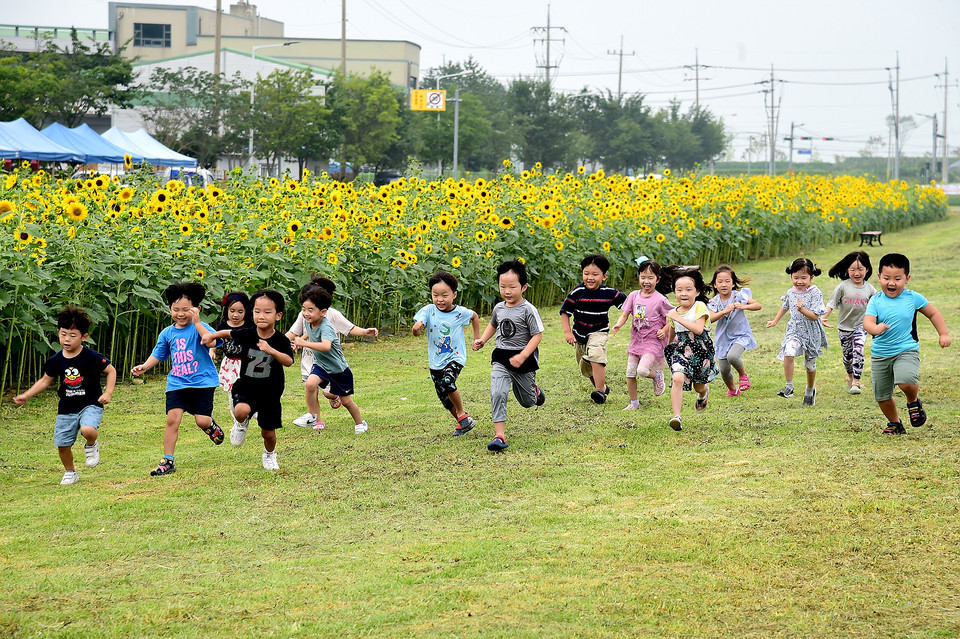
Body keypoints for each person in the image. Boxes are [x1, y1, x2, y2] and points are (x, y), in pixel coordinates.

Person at [14, 305, 117, 485]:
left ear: (84, 337)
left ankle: (91, 444)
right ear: (58, 333)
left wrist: (108, 392)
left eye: (72, 335)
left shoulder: (91, 356)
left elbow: (111, 370)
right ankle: (70, 472)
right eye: (63, 334)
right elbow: (45, 381)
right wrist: (27, 395)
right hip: (66, 408)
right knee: (62, 444)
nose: (66, 339)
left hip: (90, 403)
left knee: (88, 430)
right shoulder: (56, 360)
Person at [131, 281, 224, 476]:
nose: (180, 314)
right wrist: (145, 366)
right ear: (170, 309)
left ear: (197, 309)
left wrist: (198, 323)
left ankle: (211, 426)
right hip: (177, 383)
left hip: (203, 382)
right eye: (175, 309)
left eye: (186, 310)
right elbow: (158, 353)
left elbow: (212, 341)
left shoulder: (201, 326)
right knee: (173, 419)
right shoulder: (167, 333)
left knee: (201, 421)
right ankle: (168, 460)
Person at [202, 289, 294, 469]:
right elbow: (229, 333)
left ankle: (269, 455)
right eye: (257, 311)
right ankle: (241, 423)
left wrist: (271, 351)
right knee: (240, 411)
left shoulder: (281, 340)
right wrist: (212, 336)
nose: (261, 316)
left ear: (278, 315)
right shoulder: (249, 333)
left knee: (268, 433)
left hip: (270, 393)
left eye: (267, 312)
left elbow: (289, 361)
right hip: (247, 387)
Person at [863, 253, 951, 434]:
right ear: (879, 277)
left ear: (907, 278)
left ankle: (913, 402)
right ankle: (895, 424)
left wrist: (943, 334)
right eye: (886, 278)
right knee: (882, 396)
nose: (891, 283)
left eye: (897, 279)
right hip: (880, 354)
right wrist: (875, 328)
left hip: (906, 349)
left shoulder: (913, 298)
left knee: (906, 381)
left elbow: (933, 313)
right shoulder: (876, 300)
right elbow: (867, 322)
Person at [473, 258, 546, 452]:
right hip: (501, 357)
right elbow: (494, 324)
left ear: (524, 287)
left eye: (512, 287)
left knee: (528, 402)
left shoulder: (528, 310)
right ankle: (500, 436)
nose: (507, 291)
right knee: (498, 392)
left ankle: (535, 391)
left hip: (524, 358)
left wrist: (523, 356)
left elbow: (537, 336)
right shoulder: (499, 307)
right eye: (502, 286)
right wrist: (483, 340)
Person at [412, 270, 482, 436]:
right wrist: (416, 329)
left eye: (444, 295)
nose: (440, 299)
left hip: (455, 357)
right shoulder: (428, 310)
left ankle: (462, 413)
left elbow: (474, 316)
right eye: (435, 295)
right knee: (444, 397)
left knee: (448, 382)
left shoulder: (459, 313)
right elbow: (416, 331)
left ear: (454, 294)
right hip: (435, 361)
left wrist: (476, 338)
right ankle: (462, 423)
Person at [292, 286, 369, 434]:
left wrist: (304, 343)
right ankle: (312, 416)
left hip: (338, 369)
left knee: (346, 401)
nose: (306, 314)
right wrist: (299, 340)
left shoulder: (327, 326)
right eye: (304, 309)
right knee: (310, 384)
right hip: (321, 366)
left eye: (310, 310)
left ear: (323, 312)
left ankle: (360, 424)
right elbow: (309, 332)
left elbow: (326, 346)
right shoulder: (309, 321)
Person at [559, 253, 627, 404]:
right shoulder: (577, 292)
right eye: (586, 273)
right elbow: (565, 313)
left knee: (596, 354)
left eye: (595, 274)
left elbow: (628, 304)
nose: (590, 277)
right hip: (579, 335)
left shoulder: (609, 293)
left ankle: (599, 392)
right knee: (586, 367)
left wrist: (637, 314)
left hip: (599, 332)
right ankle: (601, 387)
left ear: (604, 276)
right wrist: (567, 332)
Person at [286, 275, 377, 385]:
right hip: (309, 361)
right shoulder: (304, 314)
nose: (306, 310)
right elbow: (293, 332)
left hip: (330, 363)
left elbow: (350, 328)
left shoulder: (333, 314)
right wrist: (275, 341)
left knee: (329, 393)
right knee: (310, 386)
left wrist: (365, 332)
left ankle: (334, 396)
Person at [610, 256, 673, 410]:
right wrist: (618, 325)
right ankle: (634, 403)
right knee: (630, 373)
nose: (646, 281)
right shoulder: (633, 296)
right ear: (638, 277)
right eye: (643, 277)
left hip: (653, 342)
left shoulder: (660, 299)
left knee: (642, 371)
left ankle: (657, 376)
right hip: (637, 341)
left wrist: (664, 330)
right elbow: (625, 314)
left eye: (650, 278)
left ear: (657, 279)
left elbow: (672, 317)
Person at [765, 258, 829, 406]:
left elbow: (814, 316)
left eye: (803, 278)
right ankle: (789, 387)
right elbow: (785, 306)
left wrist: (802, 309)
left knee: (810, 366)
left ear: (811, 277)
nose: (799, 281)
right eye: (796, 278)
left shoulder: (815, 293)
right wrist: (775, 321)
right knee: (788, 352)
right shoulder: (790, 292)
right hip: (794, 330)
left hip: (811, 333)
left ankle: (810, 389)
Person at [662, 267, 718, 431]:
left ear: (697, 291)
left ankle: (703, 393)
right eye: (679, 290)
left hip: (701, 350)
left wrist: (677, 317)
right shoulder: (674, 312)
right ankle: (676, 417)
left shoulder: (700, 307)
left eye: (688, 290)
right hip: (682, 350)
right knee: (677, 378)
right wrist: (670, 344)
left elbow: (699, 329)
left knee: (698, 387)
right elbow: (672, 330)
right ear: (674, 292)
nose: (683, 293)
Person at [822, 251, 876, 394]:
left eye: (860, 269)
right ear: (847, 270)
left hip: (861, 326)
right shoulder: (842, 286)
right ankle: (850, 377)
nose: (856, 273)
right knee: (847, 358)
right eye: (853, 270)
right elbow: (831, 303)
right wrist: (823, 317)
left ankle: (856, 382)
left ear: (867, 270)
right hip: (844, 327)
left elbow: (878, 306)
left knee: (859, 350)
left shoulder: (870, 289)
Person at [707, 265, 761, 397]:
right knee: (724, 370)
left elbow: (758, 305)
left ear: (733, 283)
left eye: (727, 281)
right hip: (722, 339)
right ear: (714, 285)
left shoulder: (739, 296)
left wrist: (744, 306)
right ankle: (732, 390)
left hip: (740, 336)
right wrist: (724, 311)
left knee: (732, 356)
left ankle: (743, 375)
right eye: (720, 281)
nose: (723, 284)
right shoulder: (713, 302)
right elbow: (710, 319)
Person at [212, 291, 253, 443]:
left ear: (246, 312)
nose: (235, 315)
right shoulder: (222, 326)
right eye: (232, 311)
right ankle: (238, 421)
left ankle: (251, 411)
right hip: (229, 365)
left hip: (246, 363)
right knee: (232, 396)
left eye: (240, 311)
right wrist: (212, 351)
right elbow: (215, 340)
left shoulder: (250, 325)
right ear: (227, 311)